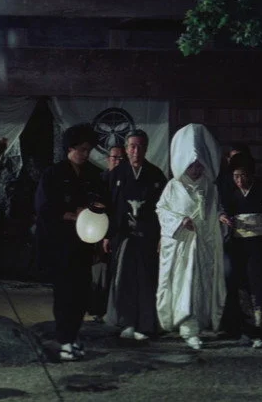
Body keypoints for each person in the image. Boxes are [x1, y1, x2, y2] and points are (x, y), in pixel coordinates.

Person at [34, 123, 105, 361]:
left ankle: (74, 336)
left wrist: (95, 210)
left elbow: (102, 201)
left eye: (88, 150)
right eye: (81, 149)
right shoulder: (53, 174)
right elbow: (44, 207)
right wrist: (71, 214)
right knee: (64, 293)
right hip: (60, 243)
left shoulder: (93, 174)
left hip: (85, 242)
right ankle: (64, 341)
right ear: (70, 148)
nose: (85, 154)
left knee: (82, 292)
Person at [156, 124, 225, 350]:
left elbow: (215, 209)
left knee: (200, 285)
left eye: (198, 164)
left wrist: (221, 217)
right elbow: (161, 210)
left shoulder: (210, 187)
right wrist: (179, 221)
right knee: (183, 284)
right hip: (182, 248)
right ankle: (188, 327)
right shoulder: (173, 186)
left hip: (203, 245)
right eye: (191, 164)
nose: (195, 169)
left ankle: (199, 323)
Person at [102, 130, 166, 340]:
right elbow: (109, 206)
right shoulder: (116, 174)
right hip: (123, 235)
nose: (136, 151)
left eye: (140, 146)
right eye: (132, 146)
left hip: (148, 236)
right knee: (124, 278)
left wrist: (162, 236)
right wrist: (107, 235)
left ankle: (145, 324)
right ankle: (126, 322)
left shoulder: (156, 175)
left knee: (147, 279)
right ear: (126, 149)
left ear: (146, 148)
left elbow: (164, 209)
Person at [219, 153, 262, 348]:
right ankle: (247, 329)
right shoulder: (230, 193)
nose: (239, 181)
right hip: (238, 245)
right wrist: (223, 216)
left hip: (260, 244)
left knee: (260, 284)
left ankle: (261, 329)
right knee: (242, 285)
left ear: (252, 174)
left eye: (243, 175)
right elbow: (223, 210)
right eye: (236, 176)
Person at [88, 145, 125, 323]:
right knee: (100, 272)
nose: (117, 161)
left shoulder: (126, 179)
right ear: (108, 159)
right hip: (99, 231)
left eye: (121, 158)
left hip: (118, 232)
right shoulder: (101, 179)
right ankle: (97, 310)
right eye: (114, 157)